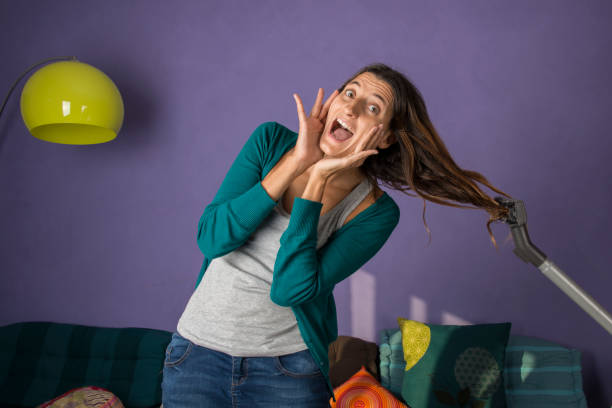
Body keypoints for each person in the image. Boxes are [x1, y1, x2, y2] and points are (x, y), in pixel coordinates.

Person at [161, 63, 513, 407]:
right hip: (197, 355)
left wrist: (316, 181)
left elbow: (289, 290)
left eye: (373, 107)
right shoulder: (269, 141)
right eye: (349, 92)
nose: (352, 107)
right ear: (332, 101)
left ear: (386, 136)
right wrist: (296, 162)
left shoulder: (375, 212)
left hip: (287, 372)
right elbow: (212, 239)